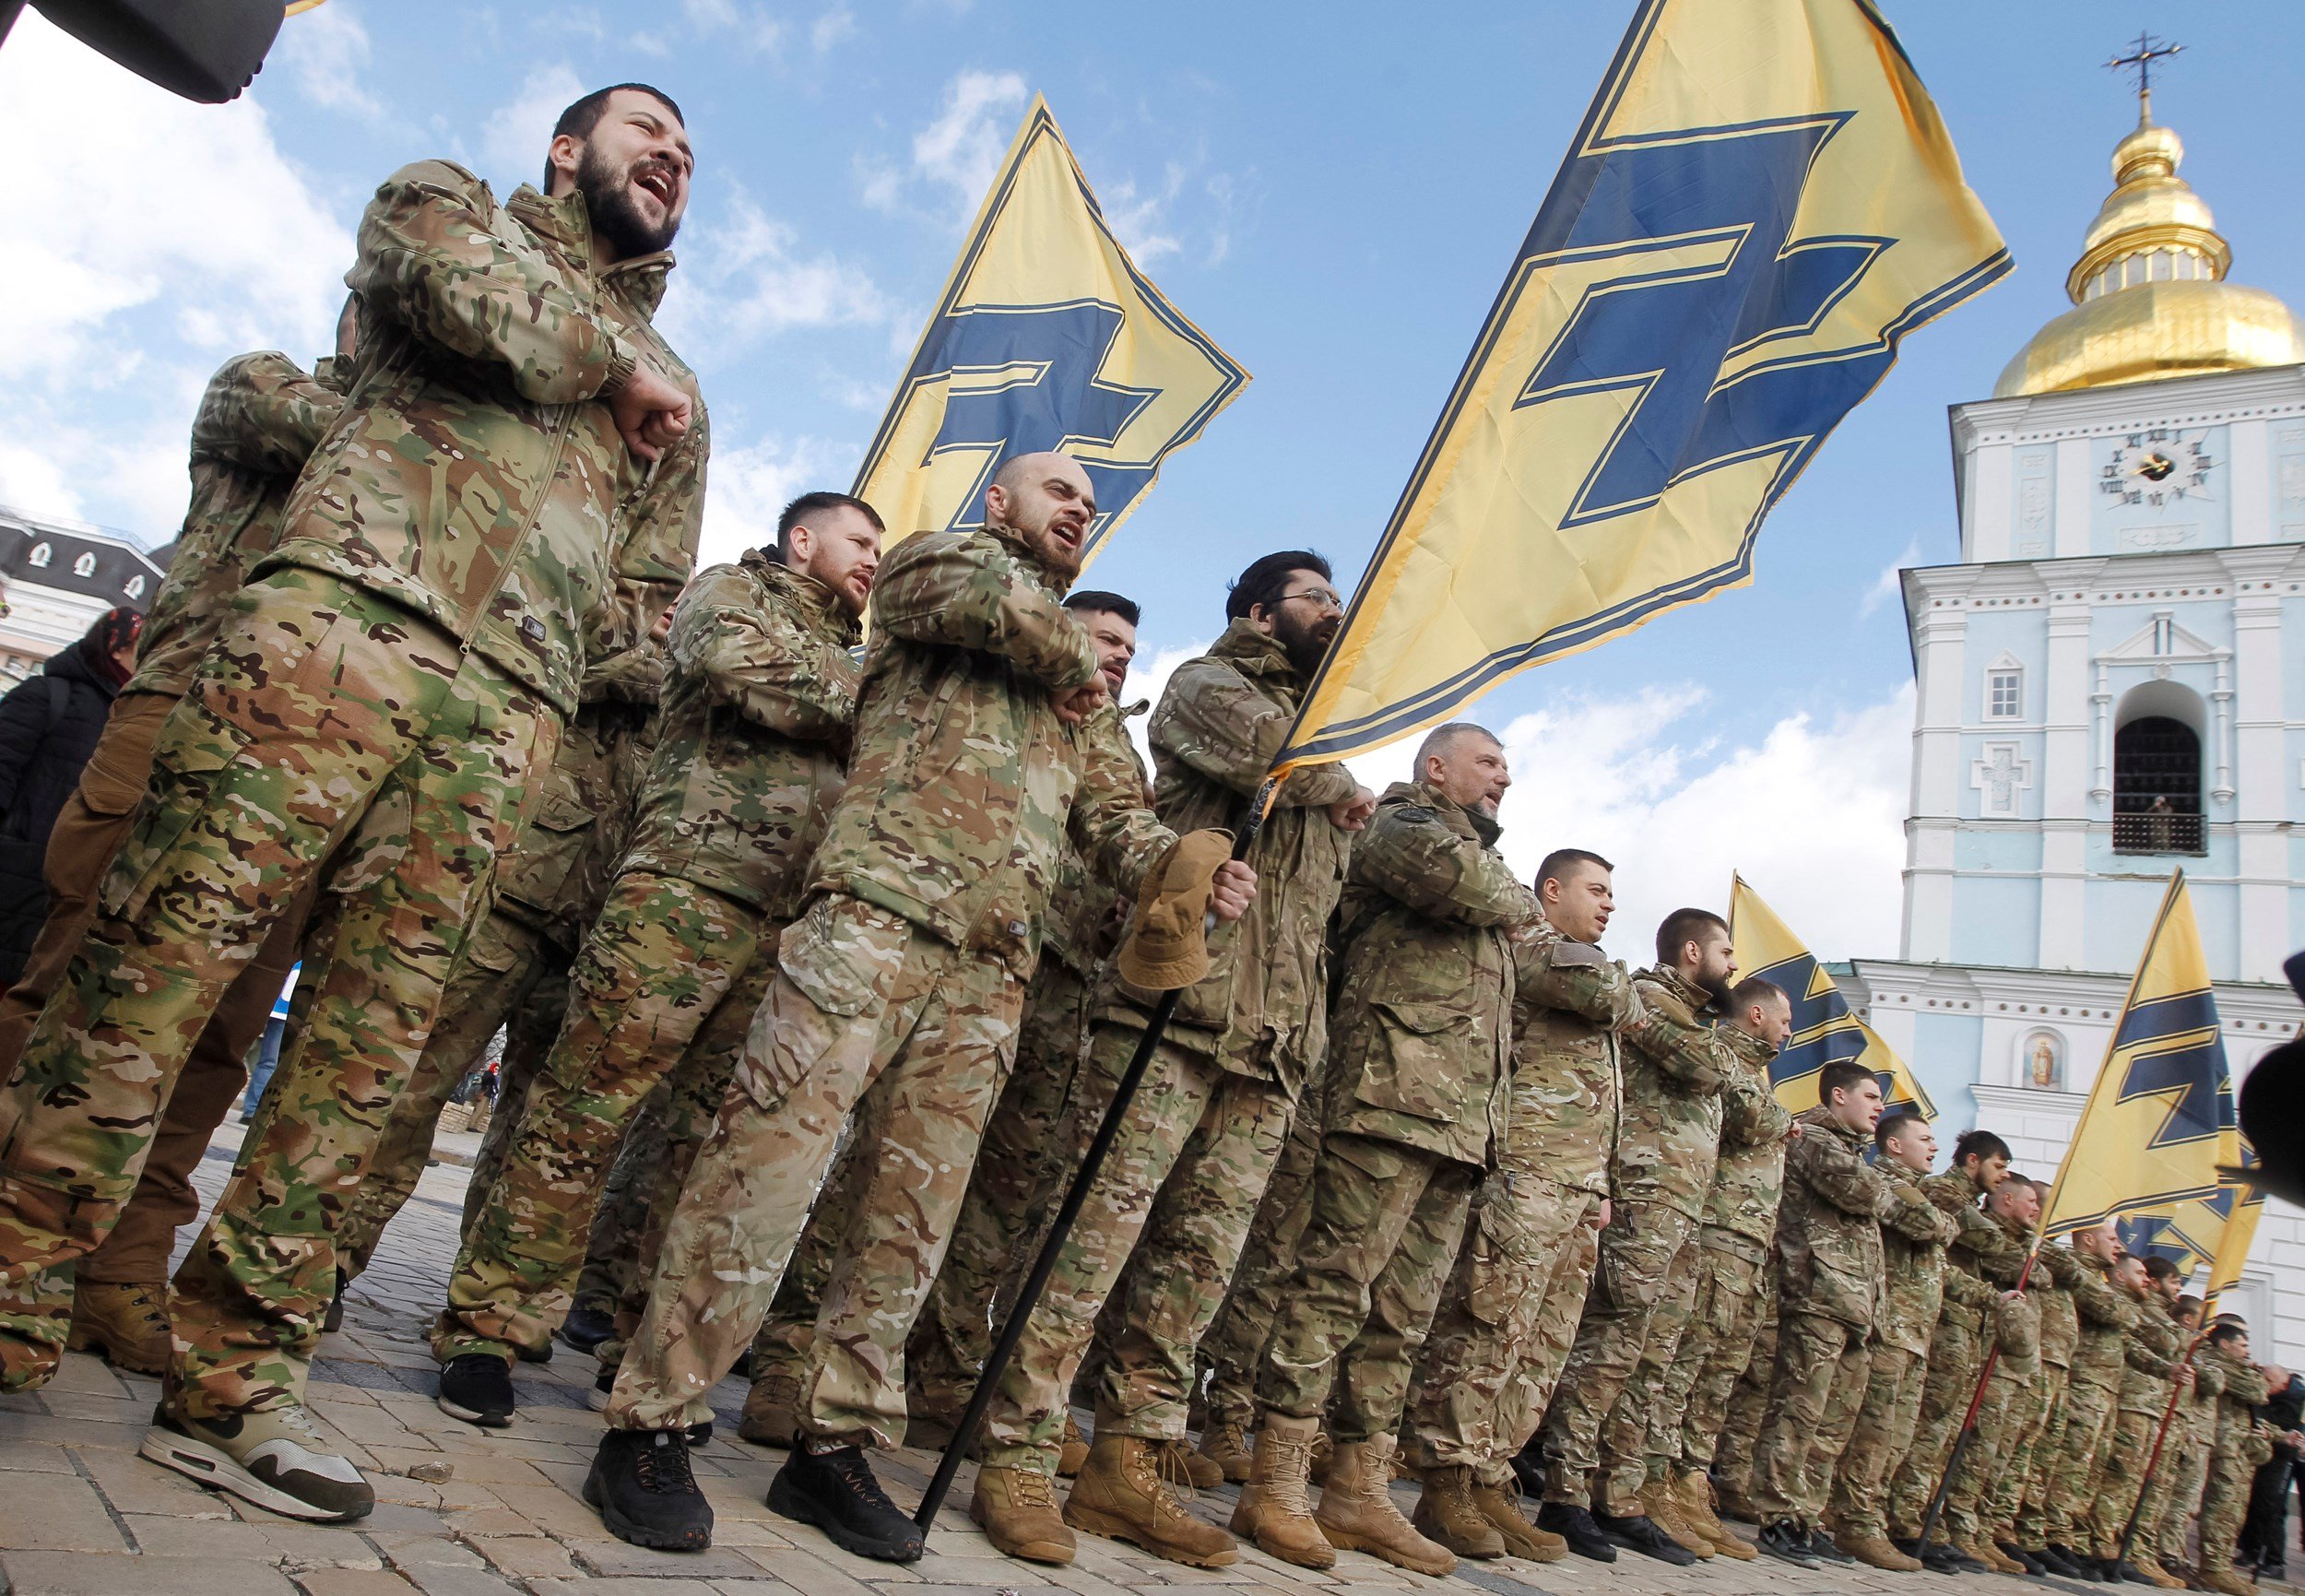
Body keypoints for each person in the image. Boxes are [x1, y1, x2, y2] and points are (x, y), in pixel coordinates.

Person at [0, 82, 704, 1524]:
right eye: (647, 131)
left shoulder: (679, 392)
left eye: (689, 154)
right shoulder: (441, 202)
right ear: (567, 150)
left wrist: (564, 664)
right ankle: (12, 1287)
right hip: (341, 630)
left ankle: (237, 1375)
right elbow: (476, 308)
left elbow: (647, 590)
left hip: (505, 713)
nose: (674, 156)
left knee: (363, 1057)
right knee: (153, 968)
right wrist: (616, 357)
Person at [582, 452, 1253, 1564]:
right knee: (762, 1170)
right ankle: (653, 1422)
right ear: (1002, 502)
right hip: (875, 916)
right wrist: (1069, 656)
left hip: (992, 967)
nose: (1078, 509)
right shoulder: (942, 569)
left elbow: (1110, 816)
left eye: (1090, 505)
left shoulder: (1079, 699)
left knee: (909, 1221)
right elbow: (959, 597)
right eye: (1059, 492)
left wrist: (1181, 867)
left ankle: (834, 1443)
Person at [430, 492, 878, 1425]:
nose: (875, 558)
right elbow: (741, 669)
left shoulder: (858, 654)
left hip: (784, 923)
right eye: (860, 540)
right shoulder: (731, 593)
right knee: (583, 1110)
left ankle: (638, 1347)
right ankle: (489, 1326)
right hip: (683, 890)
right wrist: (873, 704)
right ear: (803, 540)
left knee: (695, 1149)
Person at [963, 551, 1366, 1569]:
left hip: (1267, 1046)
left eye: (1339, 597)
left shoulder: (1334, 729)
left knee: (1192, 1274)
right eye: (1317, 597)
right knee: (1085, 1246)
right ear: (1260, 614)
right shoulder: (1206, 684)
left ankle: (1125, 1466)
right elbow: (1280, 759)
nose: (1336, 610)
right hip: (1176, 1012)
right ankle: (1014, 1455)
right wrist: (1350, 775)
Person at [0, 332, 351, 1377]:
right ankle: (16, 1244)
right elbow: (344, 438)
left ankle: (121, 1266)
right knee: (79, 983)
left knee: (222, 1030)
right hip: (185, 715)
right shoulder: (267, 385)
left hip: (316, 759)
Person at [1224, 726, 1532, 1578]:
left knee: (1401, 1319)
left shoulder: (1474, 851)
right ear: (1437, 767)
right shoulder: (1402, 824)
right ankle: (1274, 1480)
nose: (1504, 777)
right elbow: (1469, 886)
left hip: (1456, 1125)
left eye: (1506, 767)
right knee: (1332, 1289)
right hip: (1384, 1099)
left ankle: (1357, 1488)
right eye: (1489, 762)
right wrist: (1515, 897)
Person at [898, 588, 1148, 1455]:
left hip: (1062, 984)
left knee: (1006, 1194)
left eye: (1129, 648)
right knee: (902, 1153)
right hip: (973, 945)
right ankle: (791, 1351)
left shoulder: (1114, 741)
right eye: (1104, 637)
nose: (1118, 655)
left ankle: (942, 1370)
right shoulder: (1009, 680)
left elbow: (1117, 835)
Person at [1403, 847, 1634, 1564]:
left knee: (1542, 1346)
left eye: (1612, 893)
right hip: (1528, 1170)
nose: (1609, 903)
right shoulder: (1529, 939)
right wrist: (1623, 986)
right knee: (1489, 1326)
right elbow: (1608, 996)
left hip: (1577, 1184)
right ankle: (1444, 1480)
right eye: (1597, 889)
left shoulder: (1578, 956)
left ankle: (1490, 1475)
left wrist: (1600, 1185)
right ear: (1552, 889)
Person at [1534, 906, 1737, 1564]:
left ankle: (1618, 1497)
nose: (1734, 965)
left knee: (1650, 1361)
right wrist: (1718, 1043)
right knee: (1611, 1347)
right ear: (1691, 951)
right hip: (1644, 1198)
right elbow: (1705, 1068)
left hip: (1683, 1208)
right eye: (1725, 951)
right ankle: (1564, 1493)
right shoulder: (1649, 996)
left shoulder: (1696, 1018)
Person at [1748, 1062, 1947, 1567]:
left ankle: (1807, 1516)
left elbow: (1881, 1200)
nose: (1880, 1107)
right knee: (1799, 1411)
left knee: (1832, 1424)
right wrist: (1890, 1196)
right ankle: (1777, 1514)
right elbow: (1863, 1193)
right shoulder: (1814, 1138)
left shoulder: (1851, 1150)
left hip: (1856, 1303)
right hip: (1818, 1293)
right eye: (1871, 1096)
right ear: (1839, 1096)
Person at [1629, 975, 1791, 1563]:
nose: (1789, 1030)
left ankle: (1688, 1483)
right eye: (1784, 1019)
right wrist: (1784, 1119)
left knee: (1715, 1377)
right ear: (1756, 1014)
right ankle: (1652, 1481)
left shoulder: (1759, 1071)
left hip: (1748, 1240)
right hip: (1716, 1227)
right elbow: (1749, 1121)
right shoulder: (1724, 1053)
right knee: (1680, 1366)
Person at [1825, 1108, 1954, 1570]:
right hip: (1889, 1328)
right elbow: (1932, 1226)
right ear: (1895, 1145)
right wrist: (1942, 1220)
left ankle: (1867, 1518)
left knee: (1895, 1438)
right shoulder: (1888, 1180)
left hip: (1914, 1334)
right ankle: (1854, 1522)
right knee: (1872, 1434)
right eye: (1925, 1139)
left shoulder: (1917, 1190)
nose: (1934, 1147)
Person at [1884, 1129, 2016, 1565]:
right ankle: (1902, 1518)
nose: (2003, 1175)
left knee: (1941, 1429)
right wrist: (2016, 1248)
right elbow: (1989, 1240)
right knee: (1927, 1424)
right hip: (1944, 1324)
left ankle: (1920, 1517)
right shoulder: (1943, 1191)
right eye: (1999, 1166)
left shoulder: (1968, 1201)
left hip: (1967, 1324)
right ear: (1973, 1160)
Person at [0, 607, 144, 985]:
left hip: (70, 892)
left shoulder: (134, 719)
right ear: (116, 647)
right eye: (143, 647)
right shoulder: (48, 695)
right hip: (16, 872)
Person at [1936, 1175, 2046, 1573]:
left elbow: (2042, 1274)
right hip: (1980, 1351)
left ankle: (1977, 1529)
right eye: (2031, 1201)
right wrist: (2029, 1260)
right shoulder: (1986, 1230)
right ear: (2007, 1200)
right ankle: (1954, 1527)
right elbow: (2020, 1266)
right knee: (1969, 1445)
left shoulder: (2024, 1241)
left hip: (2011, 1362)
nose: (2037, 1210)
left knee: (1996, 1454)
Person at [2025, 1219, 2137, 1576]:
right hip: (2072, 1376)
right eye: (2112, 1238)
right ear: (2087, 1239)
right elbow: (2113, 1311)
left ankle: (2060, 1536)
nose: (2119, 1245)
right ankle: (2037, 1533)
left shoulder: (2086, 1274)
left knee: (2081, 1465)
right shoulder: (2069, 1266)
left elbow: (2126, 1317)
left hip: (2086, 1380)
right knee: (2053, 1458)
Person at [2098, 1260, 2198, 1584]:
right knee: (2118, 1476)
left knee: (2139, 1485)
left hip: (2152, 1405)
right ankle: (2102, 1544)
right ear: (2155, 1283)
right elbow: (2169, 1343)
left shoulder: (2157, 1311)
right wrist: (2185, 1333)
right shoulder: (2147, 1308)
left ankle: (2131, 1549)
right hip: (2134, 1399)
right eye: (2174, 1281)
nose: (2179, 1288)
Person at [2198, 1321, 2278, 1596]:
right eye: (2242, 1345)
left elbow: (2260, 1389)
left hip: (2241, 1448)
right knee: (2220, 1507)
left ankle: (2222, 1565)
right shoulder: (2214, 1362)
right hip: (2225, 1445)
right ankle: (2212, 1567)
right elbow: (2258, 1392)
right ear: (2225, 1344)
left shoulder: (2240, 1368)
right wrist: (2254, 1377)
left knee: (2235, 1511)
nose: (2247, 1351)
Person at [2240, 1363, 2303, 1579]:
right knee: (2255, 1502)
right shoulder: (2278, 1391)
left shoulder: (2296, 1399)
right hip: (2266, 1453)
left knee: (2272, 1507)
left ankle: (2275, 1562)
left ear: (2284, 1384)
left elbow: (2278, 1424)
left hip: (2284, 1456)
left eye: (2269, 1382)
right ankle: (2250, 1550)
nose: (2264, 1385)